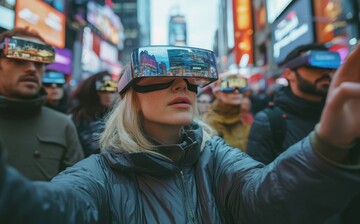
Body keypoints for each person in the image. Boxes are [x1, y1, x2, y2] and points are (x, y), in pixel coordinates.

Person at [0, 45, 360, 224]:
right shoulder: (98, 175)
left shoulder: (215, 157)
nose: (182, 86)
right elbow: (50, 208)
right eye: (161, 77)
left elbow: (269, 196)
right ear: (131, 98)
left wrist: (327, 143)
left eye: (192, 80)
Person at [246, 43, 358, 223]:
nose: (326, 73)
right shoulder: (269, 121)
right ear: (289, 73)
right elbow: (259, 192)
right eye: (313, 65)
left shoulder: (348, 114)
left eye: (331, 67)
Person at [0, 27, 84, 181]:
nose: (31, 68)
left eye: (39, 62)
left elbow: (77, 195)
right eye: (20, 58)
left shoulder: (63, 126)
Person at [68, 71, 117, 157]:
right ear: (92, 90)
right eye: (103, 87)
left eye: (112, 86)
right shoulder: (77, 118)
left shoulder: (117, 117)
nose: (108, 93)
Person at [202, 72, 251, 151]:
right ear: (217, 93)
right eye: (229, 87)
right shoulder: (209, 122)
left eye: (240, 86)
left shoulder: (246, 117)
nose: (236, 91)